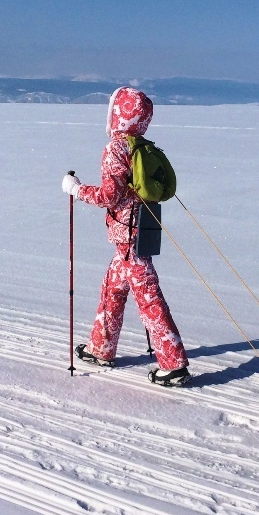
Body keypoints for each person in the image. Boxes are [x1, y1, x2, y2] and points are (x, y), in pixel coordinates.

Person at [62, 87, 191, 386]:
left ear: (117, 114)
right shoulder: (142, 147)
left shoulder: (117, 149)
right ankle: (101, 348)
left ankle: (174, 364)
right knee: (112, 289)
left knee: (149, 297)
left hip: (128, 237)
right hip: (140, 229)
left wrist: (76, 190)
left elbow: (110, 195)